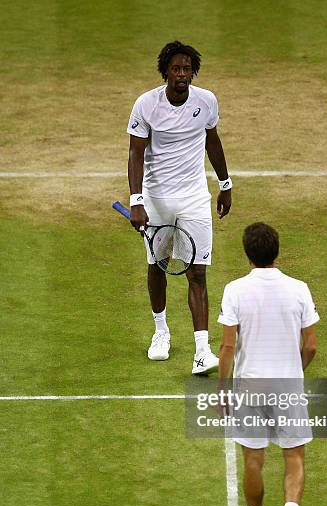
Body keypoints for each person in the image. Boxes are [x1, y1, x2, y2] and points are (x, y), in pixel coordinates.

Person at [127, 41, 232, 374]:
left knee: (197, 272)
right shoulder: (146, 104)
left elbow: (212, 141)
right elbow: (135, 154)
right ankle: (161, 332)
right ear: (165, 72)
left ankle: (202, 351)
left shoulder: (206, 101)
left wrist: (225, 184)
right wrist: (137, 201)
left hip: (194, 199)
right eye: (176, 69)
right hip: (156, 199)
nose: (182, 75)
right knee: (158, 266)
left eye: (187, 69)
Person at [218, 223, 319, 506]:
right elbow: (312, 346)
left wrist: (222, 390)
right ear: (277, 251)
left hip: (250, 388)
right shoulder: (300, 289)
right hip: (288, 386)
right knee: (294, 458)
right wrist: (294, 371)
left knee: (253, 460)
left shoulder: (234, 290)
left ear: (248, 253)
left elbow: (228, 345)